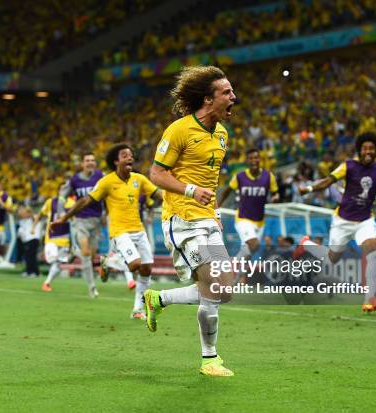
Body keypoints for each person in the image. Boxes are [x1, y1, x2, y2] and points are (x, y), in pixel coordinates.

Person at [147, 65, 237, 377]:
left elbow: (210, 181)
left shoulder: (222, 135)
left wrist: (215, 212)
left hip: (207, 218)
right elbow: (156, 174)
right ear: (208, 100)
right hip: (182, 219)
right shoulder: (179, 130)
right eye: (226, 92)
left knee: (225, 290)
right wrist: (189, 190)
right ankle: (209, 359)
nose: (233, 98)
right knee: (212, 286)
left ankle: (159, 298)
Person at [294, 132, 376, 312]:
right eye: (365, 148)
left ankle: (370, 299)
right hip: (342, 220)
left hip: (365, 220)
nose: (368, 151)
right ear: (359, 150)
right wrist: (310, 188)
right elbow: (328, 181)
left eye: (372, 148)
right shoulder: (348, 166)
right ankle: (306, 244)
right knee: (332, 259)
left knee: (373, 248)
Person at [50, 144, 163, 316]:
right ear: (116, 161)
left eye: (131, 155)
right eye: (125, 155)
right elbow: (85, 201)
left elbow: (159, 194)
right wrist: (64, 218)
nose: (130, 158)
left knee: (146, 270)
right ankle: (109, 262)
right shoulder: (106, 182)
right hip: (119, 231)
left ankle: (137, 309)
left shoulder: (138, 179)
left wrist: (180, 196)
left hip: (139, 231)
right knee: (135, 265)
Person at [217, 148, 279, 262]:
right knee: (254, 244)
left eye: (256, 158)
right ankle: (231, 267)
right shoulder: (240, 177)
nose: (254, 160)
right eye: (251, 158)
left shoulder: (269, 177)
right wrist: (218, 206)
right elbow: (227, 191)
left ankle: (236, 272)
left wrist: (276, 197)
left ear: (260, 159)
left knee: (250, 252)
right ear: (247, 161)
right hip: (243, 218)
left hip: (260, 221)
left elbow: (275, 193)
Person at [58, 153, 104, 296]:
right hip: (80, 220)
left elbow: (108, 194)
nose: (90, 162)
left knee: (92, 255)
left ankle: (74, 252)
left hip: (96, 220)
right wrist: (61, 212)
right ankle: (91, 287)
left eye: (92, 160)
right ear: (82, 164)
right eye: (87, 160)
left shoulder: (100, 176)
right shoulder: (75, 180)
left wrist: (106, 214)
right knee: (86, 252)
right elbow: (62, 195)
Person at [35, 196, 75, 291]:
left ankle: (46, 283)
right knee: (52, 259)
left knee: (58, 263)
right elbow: (41, 213)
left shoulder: (72, 203)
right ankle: (59, 261)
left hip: (65, 239)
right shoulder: (51, 202)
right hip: (51, 237)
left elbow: (74, 220)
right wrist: (34, 225)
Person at [17, 205, 41, 278]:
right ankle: (29, 270)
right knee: (28, 256)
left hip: (33, 239)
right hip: (26, 240)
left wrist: (29, 211)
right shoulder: (22, 220)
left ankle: (33, 272)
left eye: (23, 213)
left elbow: (36, 218)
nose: (21, 214)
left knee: (31, 256)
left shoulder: (33, 218)